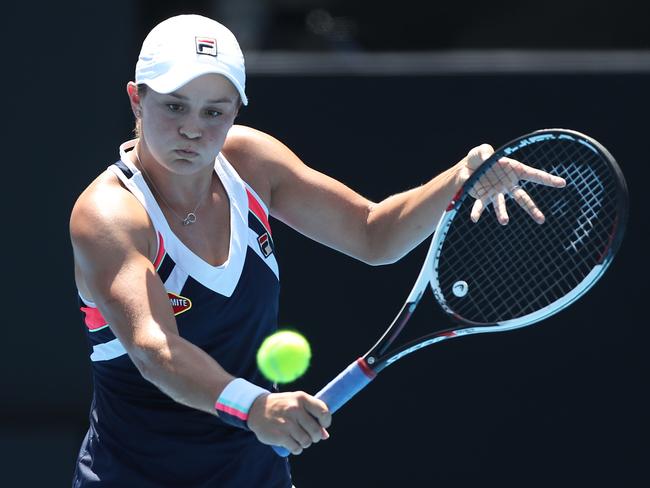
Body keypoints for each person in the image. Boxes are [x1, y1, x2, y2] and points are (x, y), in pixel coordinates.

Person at [69, 14, 565, 488]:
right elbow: (157, 350)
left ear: (235, 111)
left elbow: (374, 234)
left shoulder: (251, 163)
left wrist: (457, 180)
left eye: (214, 111)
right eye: (174, 106)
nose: (194, 129)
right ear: (137, 100)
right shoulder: (110, 215)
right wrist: (256, 407)